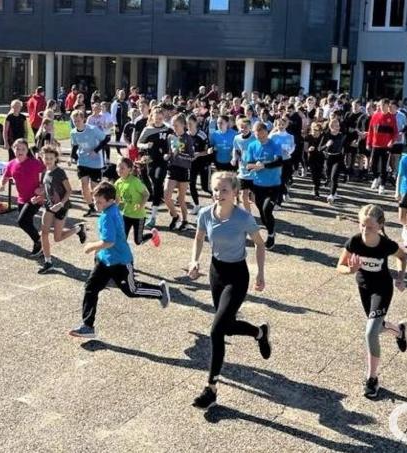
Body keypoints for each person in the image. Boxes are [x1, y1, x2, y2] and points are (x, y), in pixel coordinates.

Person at [188, 171, 270, 409]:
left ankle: (211, 388)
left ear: (235, 192)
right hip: (216, 273)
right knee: (227, 326)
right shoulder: (205, 213)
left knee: (216, 331)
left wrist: (260, 273)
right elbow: (199, 237)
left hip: (237, 276)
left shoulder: (243, 218)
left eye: (224, 190)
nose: (219, 194)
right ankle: (259, 333)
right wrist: (194, 261)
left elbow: (260, 244)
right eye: (215, 189)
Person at [68, 182, 170, 339]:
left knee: (131, 290)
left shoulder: (108, 216)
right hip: (104, 260)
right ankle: (88, 326)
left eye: (99, 202)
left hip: (120, 262)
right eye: (95, 200)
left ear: (110, 201)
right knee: (91, 288)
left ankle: (160, 291)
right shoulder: (112, 208)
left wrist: (90, 247)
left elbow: (109, 242)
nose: (96, 204)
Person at [336, 204, 407, 399]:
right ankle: (399, 331)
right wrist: (350, 270)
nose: (365, 230)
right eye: (362, 225)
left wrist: (400, 277)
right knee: (377, 327)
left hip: (382, 289)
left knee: (370, 332)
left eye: (369, 227)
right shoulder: (354, 242)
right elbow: (339, 266)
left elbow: (402, 257)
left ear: (380, 226)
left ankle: (372, 378)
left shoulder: (386, 244)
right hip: (364, 289)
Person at [35, 146, 87, 274]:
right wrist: (38, 198)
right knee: (44, 233)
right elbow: (47, 191)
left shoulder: (60, 172)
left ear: (55, 159)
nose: (48, 160)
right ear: (42, 158)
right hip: (49, 206)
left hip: (62, 207)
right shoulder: (44, 172)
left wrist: (61, 204)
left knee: (57, 238)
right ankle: (48, 262)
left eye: (51, 158)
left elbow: (69, 190)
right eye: (46, 158)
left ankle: (79, 228)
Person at [0, 139, 47, 256]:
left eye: (23, 149)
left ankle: (39, 242)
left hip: (35, 198)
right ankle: (40, 245)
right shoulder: (11, 164)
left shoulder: (34, 163)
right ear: (13, 149)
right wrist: (1, 185)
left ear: (27, 150)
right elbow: (5, 177)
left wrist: (42, 186)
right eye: (17, 149)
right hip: (22, 198)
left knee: (22, 221)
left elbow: (48, 172)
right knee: (27, 222)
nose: (20, 151)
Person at [245, 122, 284, 249]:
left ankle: (271, 235)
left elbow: (279, 161)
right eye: (258, 136)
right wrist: (253, 166)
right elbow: (248, 165)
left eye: (263, 136)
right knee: (262, 213)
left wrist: (263, 165)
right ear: (254, 134)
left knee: (267, 210)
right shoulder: (252, 145)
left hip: (274, 185)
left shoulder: (275, 144)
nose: (261, 138)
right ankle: (270, 229)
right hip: (258, 185)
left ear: (267, 132)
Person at [137, 107, 171, 229]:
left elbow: (174, 142)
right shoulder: (148, 129)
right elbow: (138, 143)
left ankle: (153, 216)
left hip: (163, 161)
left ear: (163, 118)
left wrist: (170, 153)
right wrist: (146, 145)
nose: (158, 120)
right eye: (156, 118)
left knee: (158, 181)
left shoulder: (168, 129)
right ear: (152, 117)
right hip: (151, 160)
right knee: (153, 180)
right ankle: (159, 195)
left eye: (160, 118)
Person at [71, 110, 110, 217]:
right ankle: (91, 208)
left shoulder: (92, 129)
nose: (76, 123)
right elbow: (75, 145)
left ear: (83, 119)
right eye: (74, 121)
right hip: (82, 161)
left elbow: (106, 139)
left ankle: (101, 206)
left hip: (95, 162)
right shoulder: (73, 132)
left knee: (94, 188)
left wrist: (96, 151)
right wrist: (72, 156)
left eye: (78, 121)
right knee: (84, 186)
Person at [114, 158, 160, 247]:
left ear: (129, 169)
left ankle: (153, 234)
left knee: (138, 241)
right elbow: (117, 200)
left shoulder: (135, 181)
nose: (119, 169)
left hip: (138, 216)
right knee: (122, 238)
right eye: (118, 167)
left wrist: (141, 205)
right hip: (126, 214)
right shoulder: (117, 183)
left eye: (122, 168)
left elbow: (146, 194)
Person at [165, 113, 195, 230]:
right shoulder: (170, 137)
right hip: (172, 169)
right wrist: (167, 156)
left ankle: (185, 221)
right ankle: (175, 216)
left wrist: (179, 154)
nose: (174, 128)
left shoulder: (188, 138)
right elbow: (170, 152)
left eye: (176, 125)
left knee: (181, 199)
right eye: (173, 125)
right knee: (166, 196)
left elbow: (191, 157)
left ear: (183, 125)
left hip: (184, 170)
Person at [367, 99, 398, 195]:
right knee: (373, 164)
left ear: (388, 106)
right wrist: (368, 143)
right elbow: (370, 130)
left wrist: (392, 141)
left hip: (386, 146)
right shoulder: (375, 116)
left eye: (384, 105)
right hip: (375, 145)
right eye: (381, 105)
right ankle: (376, 178)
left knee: (384, 166)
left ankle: (382, 185)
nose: (382, 107)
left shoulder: (392, 118)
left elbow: (395, 133)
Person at [187, 115, 211, 216]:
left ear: (196, 123)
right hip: (191, 164)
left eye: (190, 123)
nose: (188, 126)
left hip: (203, 163)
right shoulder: (185, 135)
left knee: (205, 187)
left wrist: (198, 154)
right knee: (191, 184)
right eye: (187, 124)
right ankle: (196, 205)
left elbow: (208, 151)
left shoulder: (202, 135)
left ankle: (218, 200)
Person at [233, 117, 257, 212]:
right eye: (241, 127)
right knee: (243, 196)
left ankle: (263, 212)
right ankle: (249, 215)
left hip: (254, 171)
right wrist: (234, 158)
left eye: (246, 127)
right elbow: (236, 150)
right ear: (238, 127)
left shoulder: (255, 138)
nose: (244, 129)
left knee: (254, 198)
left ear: (250, 127)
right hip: (243, 170)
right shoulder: (237, 138)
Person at [322, 118, 346, 204]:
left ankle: (331, 195)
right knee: (328, 177)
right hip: (328, 158)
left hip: (338, 157)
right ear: (331, 127)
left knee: (334, 177)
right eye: (335, 126)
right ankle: (334, 191)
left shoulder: (342, 135)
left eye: (338, 126)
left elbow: (345, 146)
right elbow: (319, 148)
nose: (338, 128)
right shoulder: (326, 135)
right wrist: (326, 145)